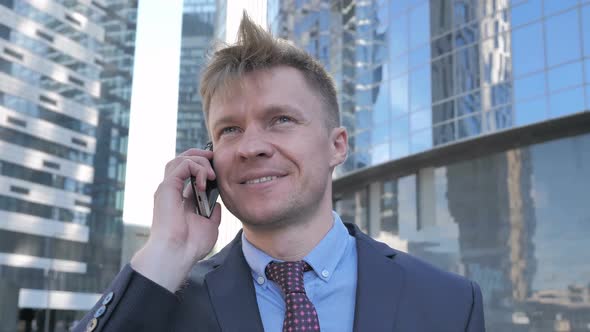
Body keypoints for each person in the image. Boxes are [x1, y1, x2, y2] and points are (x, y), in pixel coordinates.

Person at [74, 13, 484, 332]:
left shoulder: (449, 301)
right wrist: (167, 248)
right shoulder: (160, 297)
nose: (251, 146)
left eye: (281, 119)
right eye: (230, 129)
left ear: (336, 145)